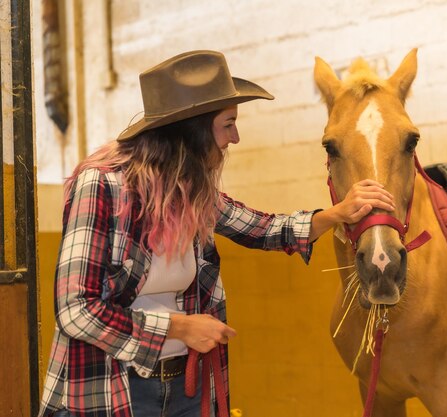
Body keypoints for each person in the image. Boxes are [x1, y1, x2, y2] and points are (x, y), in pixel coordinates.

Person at [38, 50, 395, 417]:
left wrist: (336, 213)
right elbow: (77, 309)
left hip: (185, 387)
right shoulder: (100, 185)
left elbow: (263, 229)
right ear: (193, 129)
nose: (235, 137)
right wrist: (178, 328)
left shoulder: (191, 190)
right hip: (113, 389)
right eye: (228, 124)